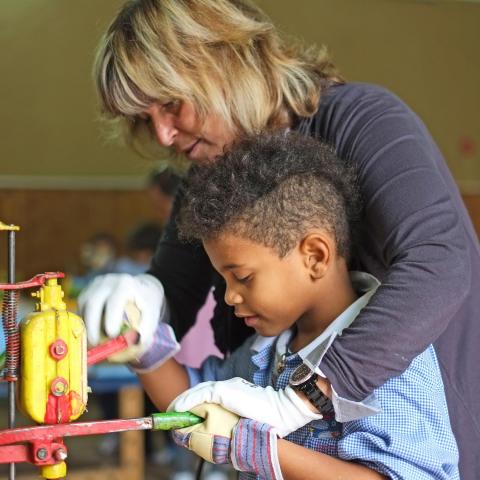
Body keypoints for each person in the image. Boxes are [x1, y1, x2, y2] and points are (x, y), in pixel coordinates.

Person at [80, 1, 480, 478]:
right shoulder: (214, 175)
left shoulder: (361, 119)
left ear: (225, 61)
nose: (163, 135)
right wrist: (142, 301)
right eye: (145, 120)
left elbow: (439, 262)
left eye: (170, 104)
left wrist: (303, 397)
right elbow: (173, 294)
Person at [127, 132, 459, 479]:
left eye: (243, 277)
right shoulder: (267, 351)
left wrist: (259, 450)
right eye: (224, 281)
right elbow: (191, 402)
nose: (230, 297)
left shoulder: (390, 359)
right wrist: (143, 347)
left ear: (315, 256)